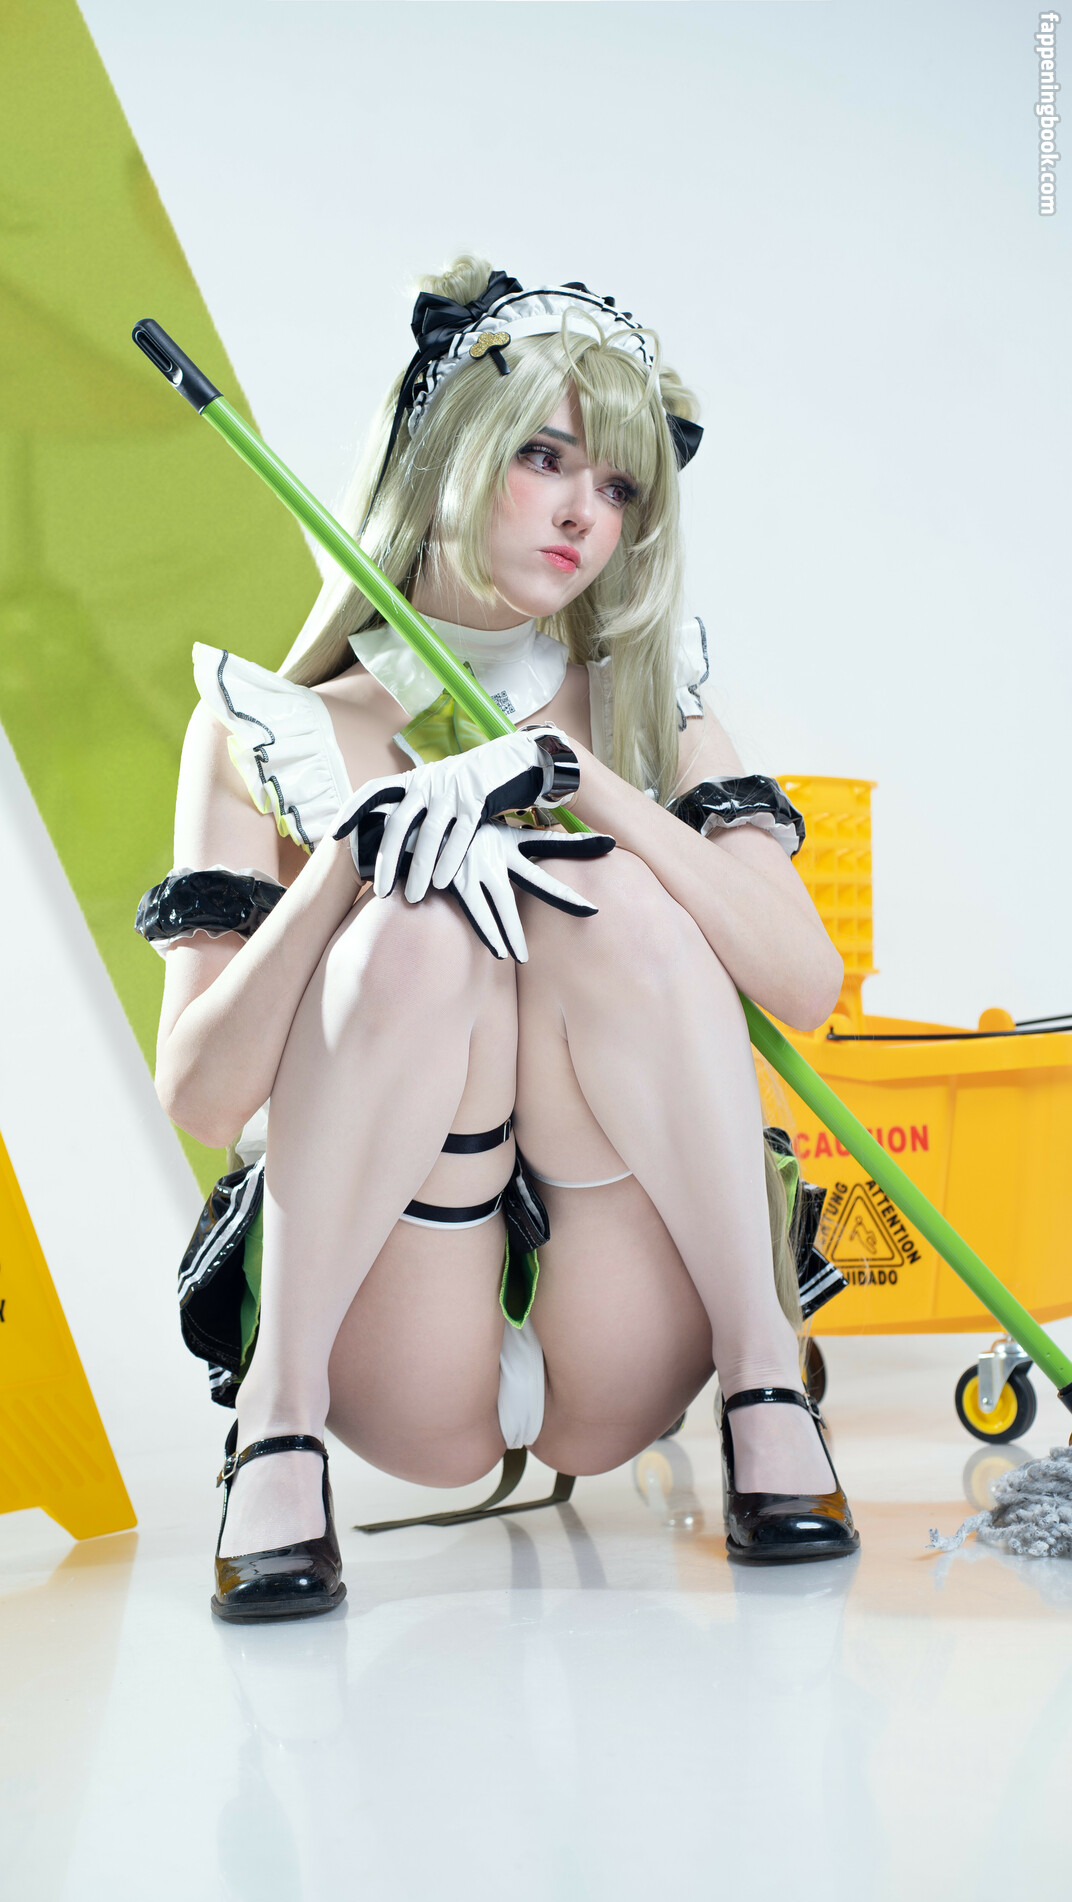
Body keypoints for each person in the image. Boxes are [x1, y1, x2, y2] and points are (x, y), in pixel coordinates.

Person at [141, 259, 859, 1623]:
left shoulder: (648, 700)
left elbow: (802, 983)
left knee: (614, 897)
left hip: (628, 1305)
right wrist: (348, 867)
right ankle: (274, 1436)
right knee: (420, 923)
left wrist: (593, 790)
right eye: (545, 458)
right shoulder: (269, 728)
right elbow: (205, 1095)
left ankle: (768, 1386)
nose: (587, 512)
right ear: (447, 453)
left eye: (621, 485)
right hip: (392, 1314)